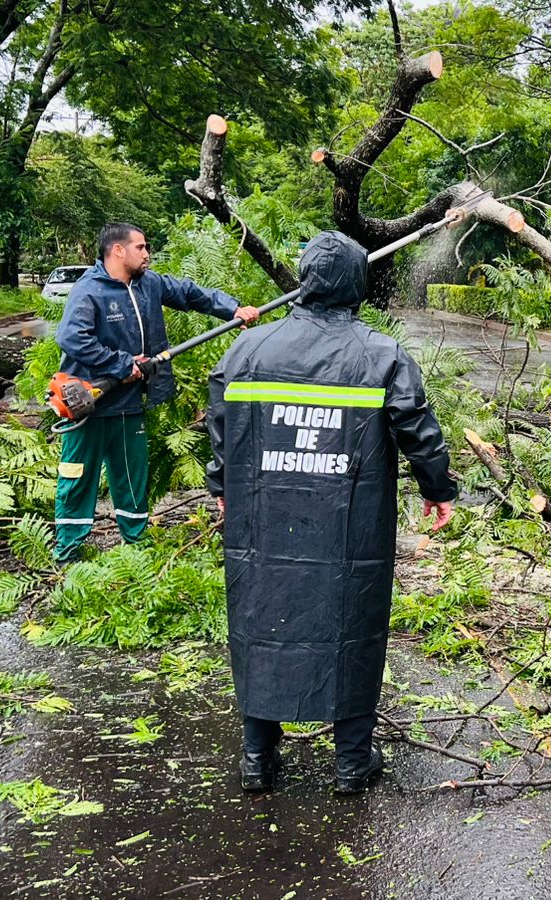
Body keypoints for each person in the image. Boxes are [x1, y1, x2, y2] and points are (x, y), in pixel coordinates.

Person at [205, 231, 456, 794]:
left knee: (259, 620)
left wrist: (221, 485)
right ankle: (350, 763)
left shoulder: (247, 350)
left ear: (304, 280)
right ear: (355, 285)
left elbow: (220, 425)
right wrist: (437, 490)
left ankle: (256, 758)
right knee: (352, 624)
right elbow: (417, 429)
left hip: (262, 520)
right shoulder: (381, 355)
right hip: (351, 523)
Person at [53, 222, 260, 562]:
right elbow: (72, 338)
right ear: (118, 250)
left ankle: (135, 543)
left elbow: (190, 293)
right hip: (88, 402)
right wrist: (121, 364)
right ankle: (69, 550)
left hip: (130, 402)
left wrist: (232, 308)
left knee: (132, 474)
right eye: (141, 247)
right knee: (78, 474)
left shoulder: (148, 284)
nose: (147, 254)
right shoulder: (89, 291)